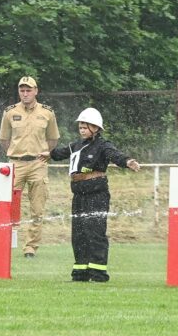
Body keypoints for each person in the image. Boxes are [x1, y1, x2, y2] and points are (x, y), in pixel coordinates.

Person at [41, 108, 141, 283]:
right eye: (80, 127)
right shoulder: (76, 146)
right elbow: (60, 153)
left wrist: (128, 162)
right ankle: (81, 272)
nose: (82, 130)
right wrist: (48, 153)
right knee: (79, 233)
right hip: (78, 195)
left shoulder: (103, 145)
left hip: (97, 195)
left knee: (95, 232)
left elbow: (115, 155)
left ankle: (98, 273)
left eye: (85, 127)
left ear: (95, 128)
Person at [0, 76, 59, 259]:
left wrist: (44, 154)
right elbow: (3, 139)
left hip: (38, 164)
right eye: (22, 90)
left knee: (37, 208)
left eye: (28, 90)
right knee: (8, 205)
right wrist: (13, 153)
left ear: (36, 91)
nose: (25, 93)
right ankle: (6, 242)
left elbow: (53, 138)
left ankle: (31, 247)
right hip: (15, 163)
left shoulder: (47, 113)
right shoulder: (9, 112)